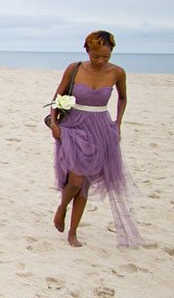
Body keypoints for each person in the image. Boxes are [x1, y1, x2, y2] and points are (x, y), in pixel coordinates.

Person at [50, 30, 143, 247]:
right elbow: (56, 97)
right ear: (87, 50)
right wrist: (54, 124)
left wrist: (118, 123)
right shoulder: (74, 68)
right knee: (75, 180)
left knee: (85, 185)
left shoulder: (118, 73)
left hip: (100, 129)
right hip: (73, 127)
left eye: (105, 56)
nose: (100, 61)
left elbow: (122, 98)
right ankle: (62, 207)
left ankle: (73, 232)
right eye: (96, 56)